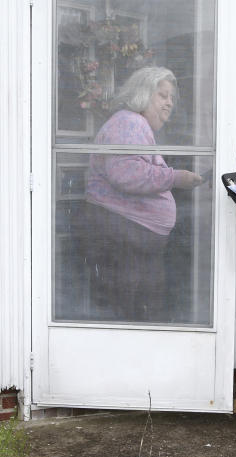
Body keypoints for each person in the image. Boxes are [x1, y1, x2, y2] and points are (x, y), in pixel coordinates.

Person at [82, 66, 204, 322]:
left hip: (132, 238)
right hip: (122, 235)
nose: (169, 103)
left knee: (138, 308)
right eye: (162, 95)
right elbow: (127, 173)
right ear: (142, 94)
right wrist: (175, 178)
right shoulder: (129, 122)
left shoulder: (133, 124)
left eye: (171, 97)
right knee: (128, 313)